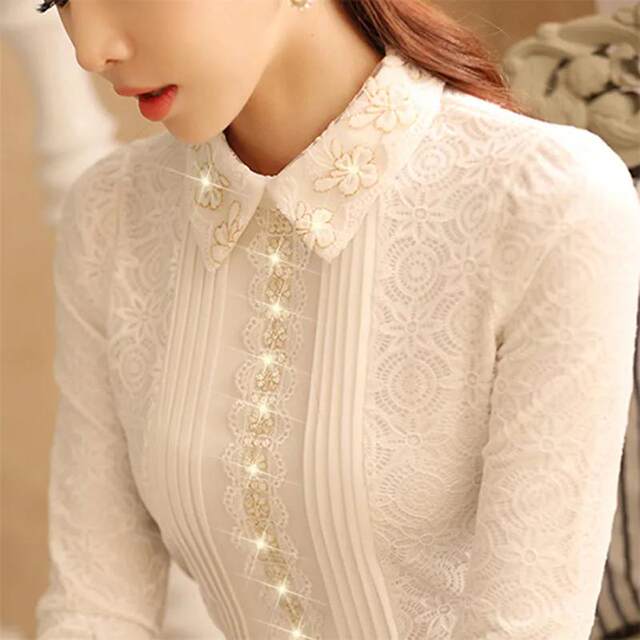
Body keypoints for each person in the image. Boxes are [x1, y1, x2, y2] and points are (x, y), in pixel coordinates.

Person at [33, 0, 640, 638]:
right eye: (58, 0)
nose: (89, 51)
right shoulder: (113, 213)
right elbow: (93, 610)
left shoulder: (542, 200)